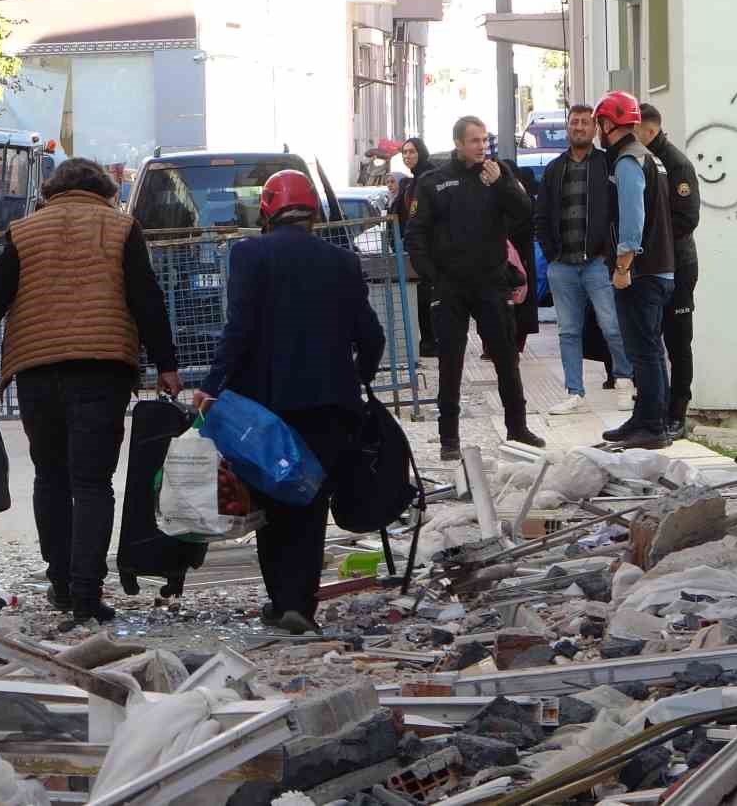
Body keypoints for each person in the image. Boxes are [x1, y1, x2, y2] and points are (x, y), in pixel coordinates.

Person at [0, 158, 181, 625]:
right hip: (102, 369)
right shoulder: (122, 228)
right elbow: (146, 298)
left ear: (52, 191)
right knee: (92, 483)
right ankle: (87, 593)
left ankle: (61, 583)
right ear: (104, 191)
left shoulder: (25, 231)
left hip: (37, 370)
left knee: (51, 478)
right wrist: (166, 365)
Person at [193, 170, 385, 636]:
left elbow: (239, 329)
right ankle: (300, 601)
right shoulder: (342, 261)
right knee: (311, 500)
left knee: (272, 500)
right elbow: (371, 336)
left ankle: (282, 601)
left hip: (266, 407)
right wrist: (355, 381)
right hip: (329, 404)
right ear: (313, 212)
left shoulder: (249, 253)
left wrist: (212, 385)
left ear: (266, 211)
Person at [406, 116, 545, 461]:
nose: (482, 147)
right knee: (450, 362)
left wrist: (503, 185)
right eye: (475, 141)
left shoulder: (498, 175)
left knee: (506, 358)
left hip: (491, 283)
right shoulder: (433, 181)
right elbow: (416, 233)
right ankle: (449, 438)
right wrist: (432, 278)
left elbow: (525, 213)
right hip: (450, 286)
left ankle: (518, 428)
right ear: (458, 144)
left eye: (485, 140)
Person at [536, 104, 633, 415]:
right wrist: (551, 255)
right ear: (568, 128)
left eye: (584, 123)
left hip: (596, 262)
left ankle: (624, 380)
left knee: (612, 326)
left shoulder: (607, 164)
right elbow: (540, 214)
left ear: (595, 129)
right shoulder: (554, 168)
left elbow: (619, 210)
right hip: (562, 264)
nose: (578, 127)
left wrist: (609, 251)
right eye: (574, 122)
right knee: (568, 331)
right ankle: (574, 392)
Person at [596, 92, 676, 450]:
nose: (599, 130)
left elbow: (633, 217)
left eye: (600, 123)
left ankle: (653, 427)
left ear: (608, 123)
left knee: (643, 351)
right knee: (650, 350)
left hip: (641, 272)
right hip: (661, 268)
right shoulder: (650, 157)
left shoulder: (628, 160)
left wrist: (623, 265)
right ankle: (645, 419)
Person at [637, 102, 701, 439]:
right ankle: (655, 406)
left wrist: (652, 235)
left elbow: (687, 219)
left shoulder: (676, 164)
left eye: (636, 131)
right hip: (654, 264)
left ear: (650, 130)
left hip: (678, 265)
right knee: (650, 337)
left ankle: (678, 411)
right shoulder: (643, 160)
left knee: (678, 340)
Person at [393, 137, 439, 358]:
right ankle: (429, 341)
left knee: (430, 297)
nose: (407, 156)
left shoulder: (429, 177)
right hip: (417, 249)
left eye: (411, 152)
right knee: (423, 297)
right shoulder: (411, 182)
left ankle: (434, 341)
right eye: (404, 152)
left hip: (432, 248)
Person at [501, 158, 539, 356]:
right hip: (507, 257)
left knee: (518, 302)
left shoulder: (520, 195)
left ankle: (514, 344)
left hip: (518, 258)